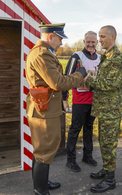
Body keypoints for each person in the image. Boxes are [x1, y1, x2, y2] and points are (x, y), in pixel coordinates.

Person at [25, 23, 88, 195]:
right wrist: (79, 75)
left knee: (43, 149)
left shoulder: (44, 53)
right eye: (60, 39)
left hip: (45, 107)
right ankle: (40, 190)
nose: (61, 43)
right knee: (44, 151)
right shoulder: (42, 54)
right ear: (50, 36)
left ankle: (42, 183)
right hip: (44, 109)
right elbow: (58, 83)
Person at [85, 25, 122, 193]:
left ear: (112, 37)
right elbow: (120, 82)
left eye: (102, 37)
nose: (99, 40)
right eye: (99, 37)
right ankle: (106, 169)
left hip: (111, 110)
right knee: (103, 142)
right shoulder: (107, 57)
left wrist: (87, 80)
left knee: (108, 144)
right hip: (104, 108)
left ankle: (110, 179)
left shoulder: (116, 57)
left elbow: (110, 83)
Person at [63, 31, 100, 172]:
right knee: (75, 129)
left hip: (94, 100)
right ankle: (70, 160)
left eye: (93, 42)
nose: (90, 44)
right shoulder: (76, 56)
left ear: (96, 42)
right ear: (84, 42)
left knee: (89, 129)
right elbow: (66, 78)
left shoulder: (100, 58)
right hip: (79, 100)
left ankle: (87, 156)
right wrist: (64, 98)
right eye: (88, 42)